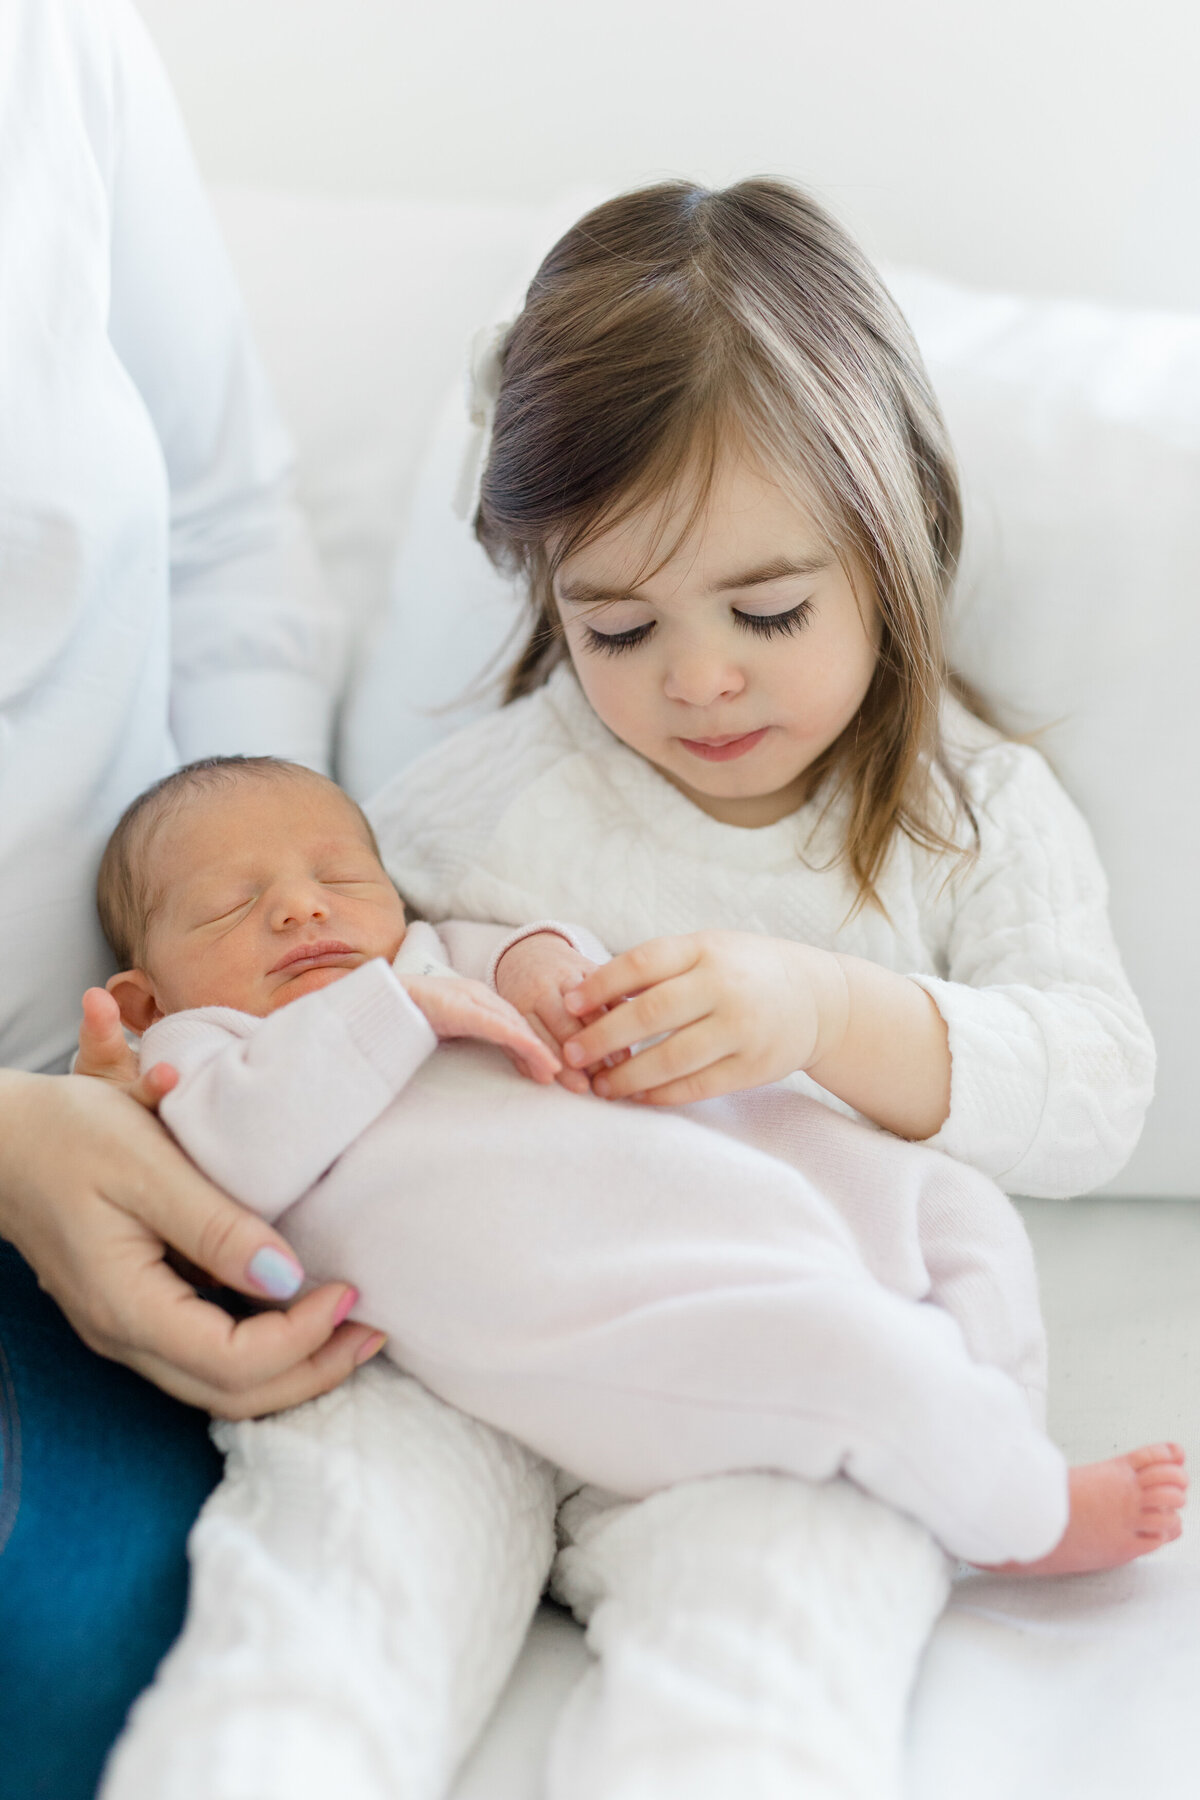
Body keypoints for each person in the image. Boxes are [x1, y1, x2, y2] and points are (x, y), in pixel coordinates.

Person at [93, 754, 1182, 1798]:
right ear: (143, 996)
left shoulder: (431, 949)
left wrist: (542, 968)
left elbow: (534, 947)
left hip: (707, 1206)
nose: (300, 910)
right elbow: (240, 1153)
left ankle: (992, 1402)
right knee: (837, 1358)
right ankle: (1019, 1508)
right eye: (231, 907)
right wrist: (392, 1013)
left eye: (338, 877)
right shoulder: (199, 1051)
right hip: (583, 1315)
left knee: (953, 1211)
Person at [0, 4, 375, 1795]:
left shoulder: (55, 49)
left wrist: (242, 962)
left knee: (75, 1661)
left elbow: (226, 520)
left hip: (133, 1130)